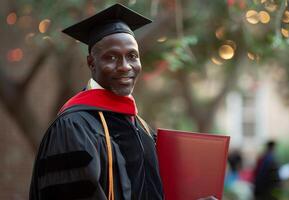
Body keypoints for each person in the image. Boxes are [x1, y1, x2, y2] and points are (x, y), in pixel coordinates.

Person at [29, 4, 218, 200]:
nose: (125, 67)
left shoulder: (141, 127)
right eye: (111, 57)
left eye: (132, 56)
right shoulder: (73, 128)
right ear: (91, 63)